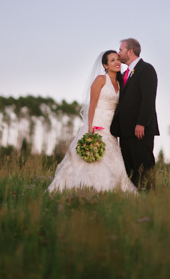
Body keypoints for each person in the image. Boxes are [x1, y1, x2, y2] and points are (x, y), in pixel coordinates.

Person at [48, 50, 137, 193]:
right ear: (105, 65)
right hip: (98, 121)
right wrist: (90, 128)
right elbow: (93, 103)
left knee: (111, 155)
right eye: (112, 60)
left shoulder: (121, 83)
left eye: (118, 60)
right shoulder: (101, 79)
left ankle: (112, 188)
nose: (117, 63)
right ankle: (82, 186)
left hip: (111, 126)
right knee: (91, 156)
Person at [110, 38, 159, 190]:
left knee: (144, 166)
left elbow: (148, 99)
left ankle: (151, 197)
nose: (118, 54)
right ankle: (135, 198)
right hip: (125, 131)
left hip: (140, 130)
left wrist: (141, 123)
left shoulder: (146, 69)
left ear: (130, 51)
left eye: (120, 50)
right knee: (130, 169)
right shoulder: (125, 74)